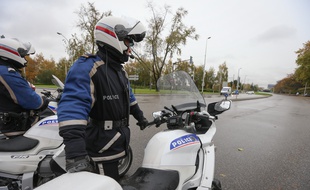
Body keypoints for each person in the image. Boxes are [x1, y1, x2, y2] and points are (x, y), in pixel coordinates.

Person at [57, 16, 148, 181]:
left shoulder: (119, 71)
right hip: (100, 149)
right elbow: (72, 109)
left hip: (117, 144)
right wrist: (76, 155)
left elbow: (129, 96)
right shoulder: (88, 67)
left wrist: (139, 116)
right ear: (114, 37)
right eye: (129, 41)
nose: (131, 47)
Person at [0, 37, 49, 138]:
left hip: (9, 124)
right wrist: (45, 100)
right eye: (23, 55)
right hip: (15, 127)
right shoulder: (7, 73)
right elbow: (33, 102)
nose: (25, 59)